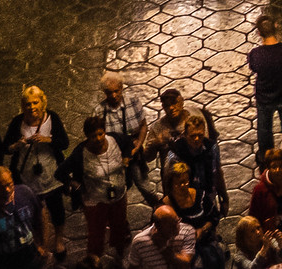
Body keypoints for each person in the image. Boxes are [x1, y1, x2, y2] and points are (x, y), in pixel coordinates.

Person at [2, 87, 69, 255]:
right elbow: (5, 148)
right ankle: (40, 242)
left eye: (35, 102)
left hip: (50, 173)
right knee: (33, 211)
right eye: (27, 104)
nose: (31, 107)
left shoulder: (52, 118)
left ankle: (59, 239)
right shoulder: (18, 122)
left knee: (56, 208)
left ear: (42, 102)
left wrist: (48, 140)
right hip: (27, 177)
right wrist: (17, 145)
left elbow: (64, 143)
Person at [63, 116, 129, 263]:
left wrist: (127, 157)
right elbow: (60, 172)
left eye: (101, 134)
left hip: (118, 196)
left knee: (119, 227)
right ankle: (94, 262)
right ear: (87, 137)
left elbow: (129, 144)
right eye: (93, 136)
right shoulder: (80, 154)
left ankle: (120, 255)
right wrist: (76, 185)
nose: (98, 139)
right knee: (96, 235)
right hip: (95, 201)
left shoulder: (116, 140)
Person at [94, 73, 158, 208]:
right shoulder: (99, 112)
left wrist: (138, 144)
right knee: (118, 192)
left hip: (134, 154)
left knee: (145, 186)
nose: (113, 96)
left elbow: (143, 126)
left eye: (116, 91)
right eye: (109, 92)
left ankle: (160, 211)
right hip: (113, 160)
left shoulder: (133, 102)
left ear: (121, 88)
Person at [247, 15, 282, 158]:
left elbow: (254, 68)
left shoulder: (255, 54)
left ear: (258, 33)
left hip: (265, 98)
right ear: (276, 26)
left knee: (264, 131)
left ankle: (267, 159)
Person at [243, 147, 282, 245]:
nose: (278, 170)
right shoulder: (260, 190)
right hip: (272, 234)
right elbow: (253, 215)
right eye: (274, 167)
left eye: (281, 166)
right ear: (268, 168)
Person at [126, 206, 195, 269]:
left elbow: (185, 265)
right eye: (170, 226)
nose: (176, 227)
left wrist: (163, 248)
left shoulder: (187, 231)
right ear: (158, 226)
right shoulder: (140, 241)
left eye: (177, 221)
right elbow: (133, 265)